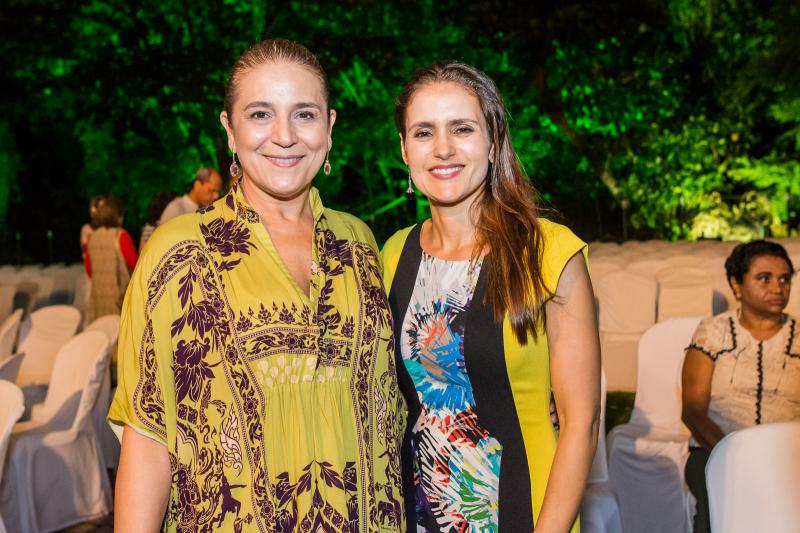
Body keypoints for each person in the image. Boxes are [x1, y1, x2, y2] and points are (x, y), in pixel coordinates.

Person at [110, 38, 406, 532]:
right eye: (261, 114)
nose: (284, 136)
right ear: (230, 129)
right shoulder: (179, 252)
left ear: (329, 127)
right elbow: (148, 435)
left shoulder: (359, 244)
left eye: (304, 114)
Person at [382, 61, 600, 532]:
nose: (443, 148)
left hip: (526, 509)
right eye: (423, 132)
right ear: (404, 149)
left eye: (462, 128)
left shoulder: (548, 253)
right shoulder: (393, 254)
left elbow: (581, 422)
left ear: (494, 140)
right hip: (420, 511)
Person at [682, 240, 800, 533]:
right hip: (716, 449)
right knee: (718, 506)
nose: (777, 287)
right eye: (764, 278)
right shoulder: (712, 332)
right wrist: (734, 454)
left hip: (788, 453)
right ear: (736, 285)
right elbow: (693, 411)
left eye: (784, 279)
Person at [84, 195, 138, 324]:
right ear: (118, 216)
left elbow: (89, 269)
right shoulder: (121, 235)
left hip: (98, 295)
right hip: (118, 296)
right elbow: (134, 264)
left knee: (100, 329)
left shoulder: (92, 237)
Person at [157, 167, 222, 224]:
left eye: (218, 192)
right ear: (197, 185)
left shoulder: (208, 212)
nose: (216, 196)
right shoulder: (176, 208)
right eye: (212, 190)